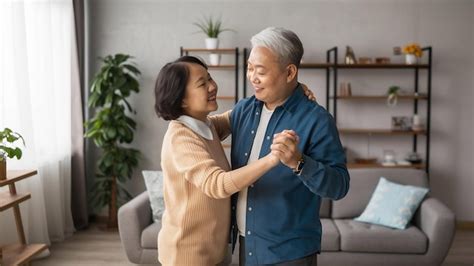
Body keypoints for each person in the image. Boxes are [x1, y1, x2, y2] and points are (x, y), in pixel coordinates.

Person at [229, 27, 351, 265]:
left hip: (291, 255)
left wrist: (299, 163)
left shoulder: (317, 119)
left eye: (260, 71)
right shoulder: (243, 110)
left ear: (290, 72)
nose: (252, 77)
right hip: (246, 246)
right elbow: (203, 127)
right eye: (249, 68)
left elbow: (339, 186)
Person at [154, 55, 287, 266]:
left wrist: (287, 90)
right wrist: (271, 159)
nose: (212, 86)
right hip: (187, 256)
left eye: (209, 78)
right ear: (181, 99)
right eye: (202, 83)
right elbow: (217, 184)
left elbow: (238, 115)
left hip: (212, 252)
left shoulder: (205, 126)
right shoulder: (181, 137)